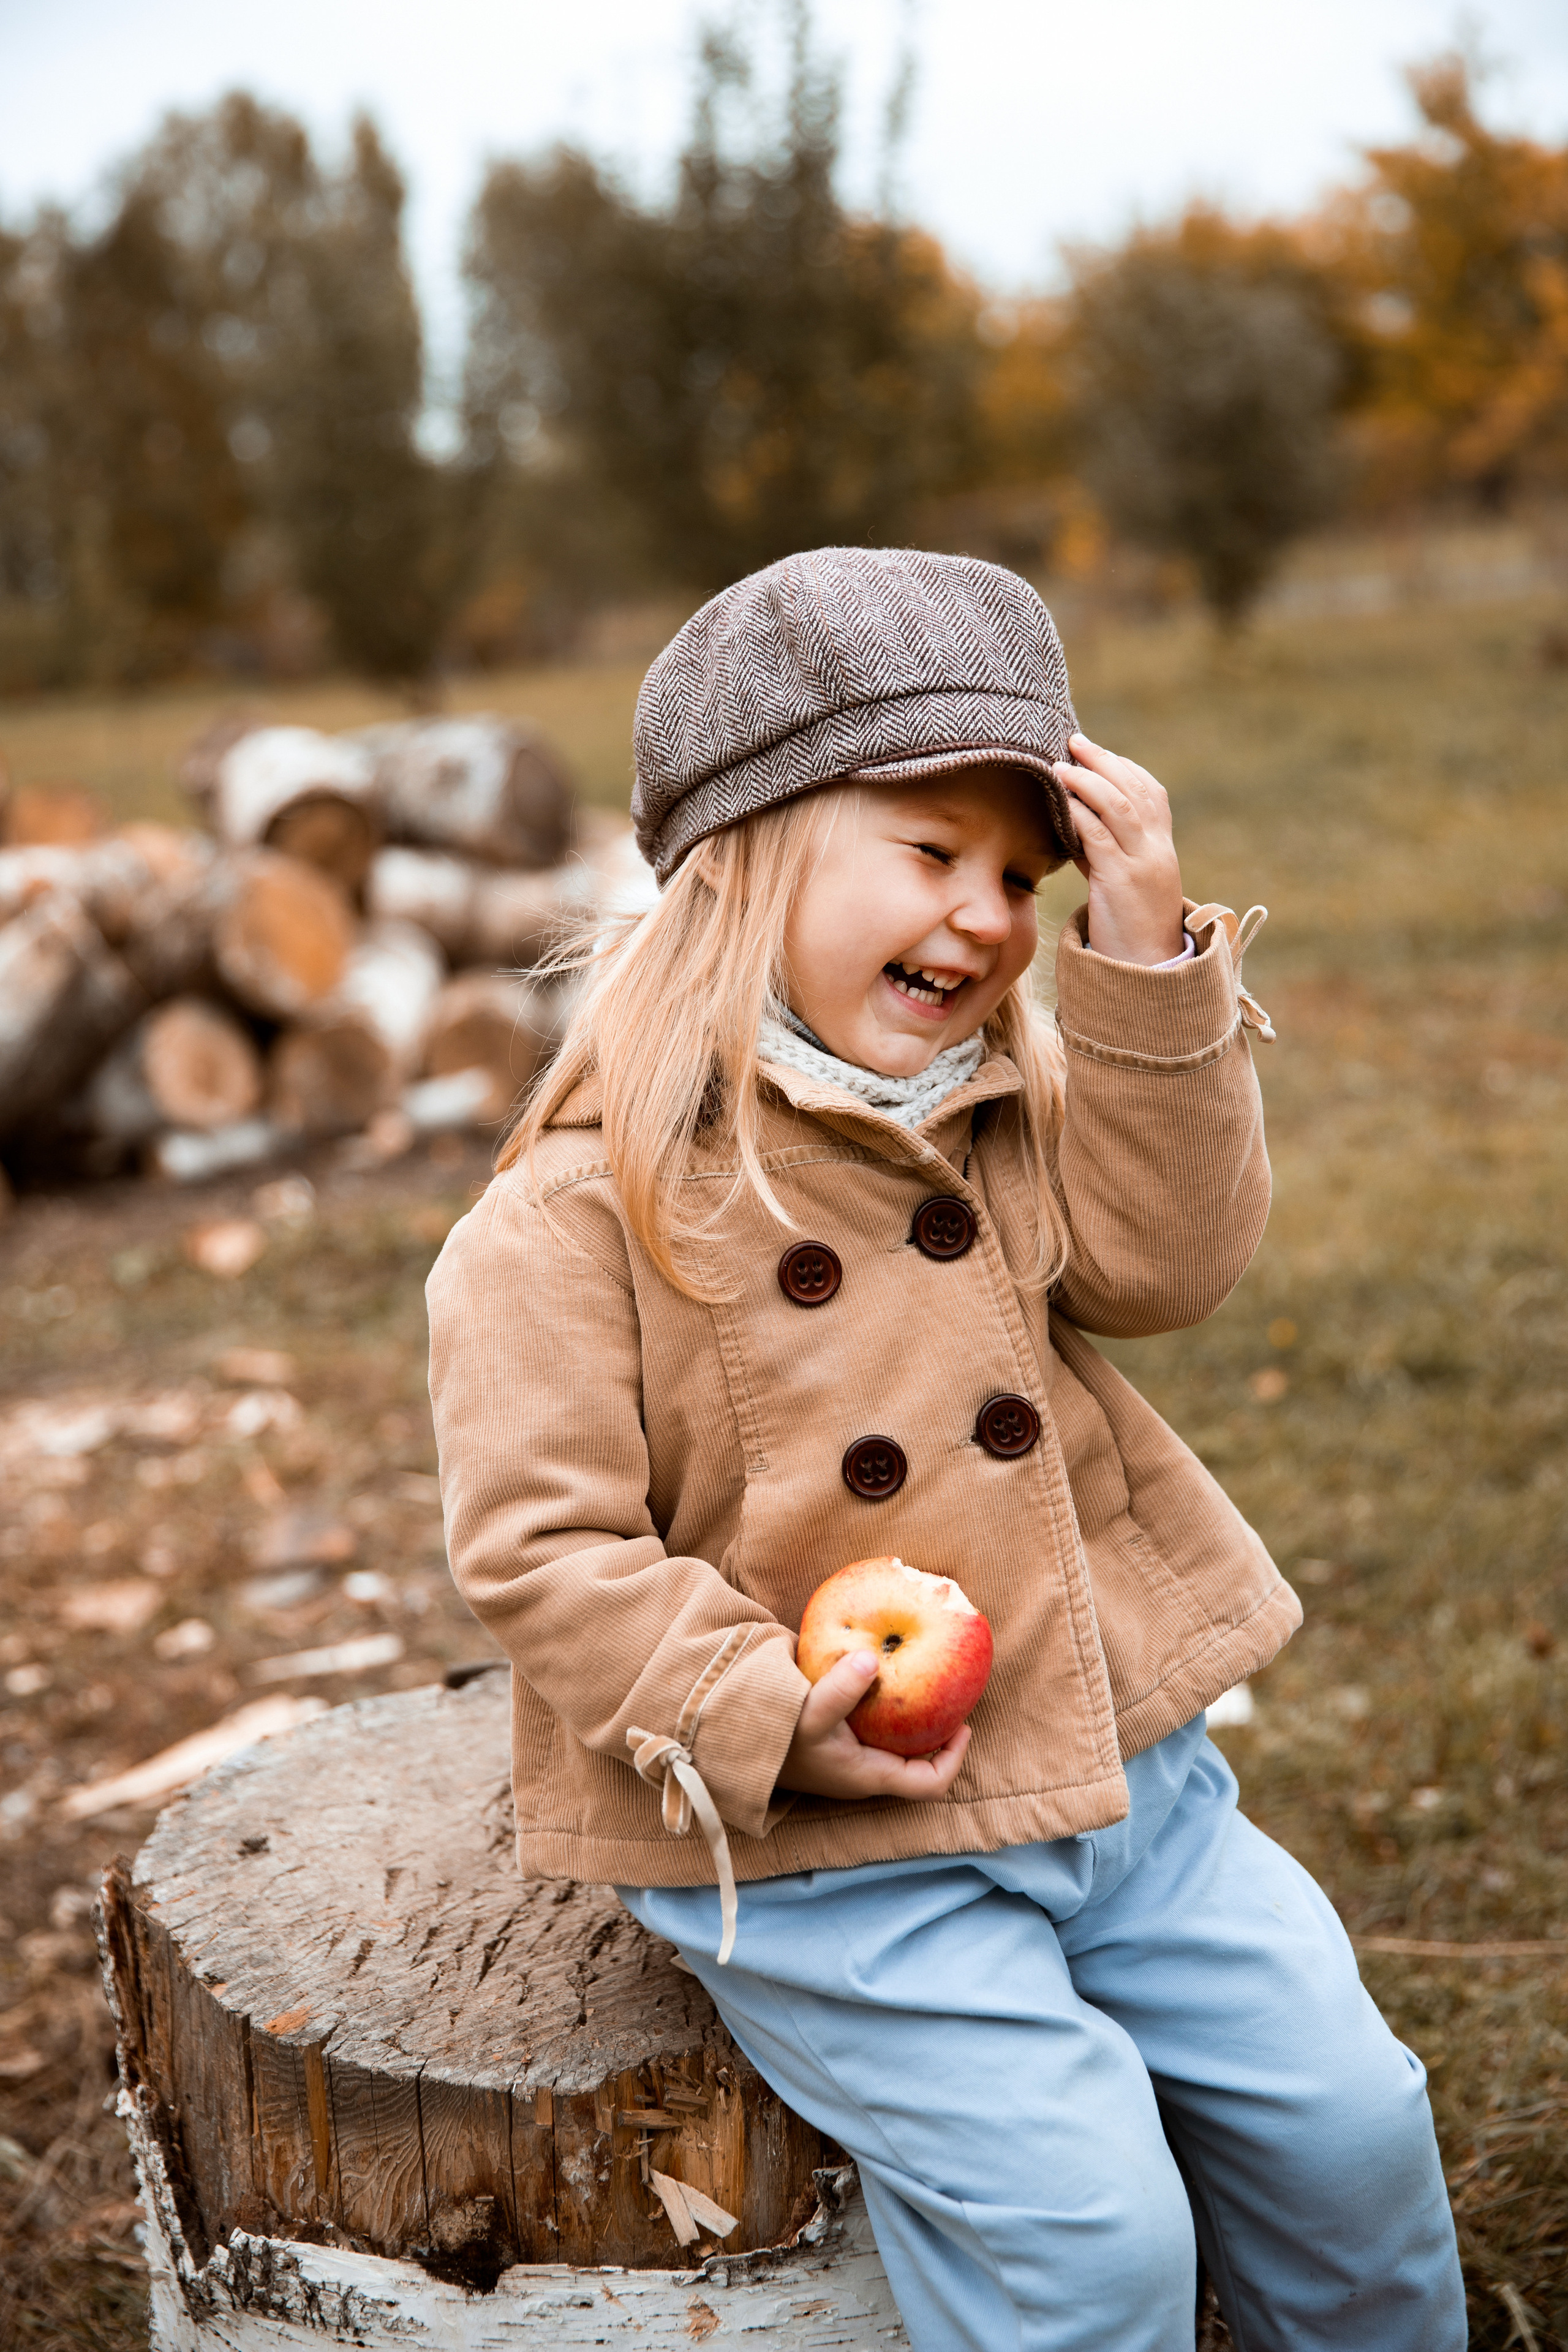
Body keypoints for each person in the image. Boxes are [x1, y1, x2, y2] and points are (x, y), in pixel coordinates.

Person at [427, 548, 1464, 2351]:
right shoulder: (570, 1214)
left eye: (1020, 874)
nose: (987, 916)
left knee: (1360, 2128)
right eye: (932, 852)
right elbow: (542, 1549)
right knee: (1091, 2241)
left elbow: (1169, 1265)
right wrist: (765, 1712)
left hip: (1117, 1769)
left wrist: (1144, 970)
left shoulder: (995, 1116)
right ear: (749, 854)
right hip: (837, 1859)